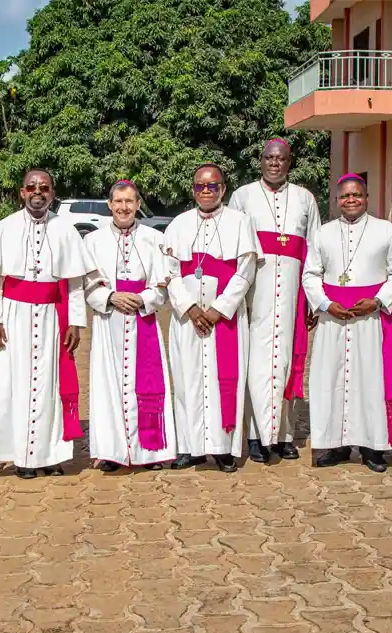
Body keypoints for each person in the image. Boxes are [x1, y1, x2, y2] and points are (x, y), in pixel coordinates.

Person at [0, 169, 95, 479]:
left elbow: (75, 282)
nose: (38, 192)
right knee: (11, 384)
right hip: (13, 315)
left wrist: (75, 321)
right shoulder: (5, 228)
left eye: (44, 187)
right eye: (32, 187)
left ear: (52, 192)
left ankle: (50, 455)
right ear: (22, 192)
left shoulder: (65, 229)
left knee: (49, 385)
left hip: (52, 317)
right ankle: (21, 456)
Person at [303, 173, 392, 472]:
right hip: (333, 319)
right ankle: (336, 445)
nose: (351, 200)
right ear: (337, 200)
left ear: (367, 198)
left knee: (370, 382)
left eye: (357, 195)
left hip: (371, 319)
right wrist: (326, 304)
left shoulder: (386, 231)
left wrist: (378, 301)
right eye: (346, 196)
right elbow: (311, 274)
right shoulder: (322, 233)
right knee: (331, 381)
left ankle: (372, 447)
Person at [164, 163, 260, 473]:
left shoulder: (240, 222)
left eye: (212, 185)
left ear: (223, 189)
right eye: (200, 186)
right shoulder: (178, 224)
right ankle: (189, 447)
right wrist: (190, 308)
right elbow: (169, 272)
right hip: (187, 321)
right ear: (193, 190)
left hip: (225, 320)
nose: (206, 191)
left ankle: (222, 448)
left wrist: (219, 309)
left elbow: (245, 272)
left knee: (225, 382)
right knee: (187, 381)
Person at [229, 138, 320, 463]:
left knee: (288, 363)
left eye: (281, 158)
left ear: (289, 162)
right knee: (255, 364)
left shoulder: (305, 198)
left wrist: (313, 298)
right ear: (261, 160)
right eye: (269, 158)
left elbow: (314, 251)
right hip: (256, 295)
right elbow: (233, 245)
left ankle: (284, 436)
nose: (275, 163)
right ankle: (255, 435)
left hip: (292, 295)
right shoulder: (242, 196)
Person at [84, 180, 176, 471]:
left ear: (138, 205)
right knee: (108, 387)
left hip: (143, 320)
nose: (124, 207)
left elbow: (162, 284)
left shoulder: (154, 238)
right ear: (110, 205)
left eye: (129, 202)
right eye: (118, 202)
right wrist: (110, 297)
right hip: (109, 322)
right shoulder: (92, 241)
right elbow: (86, 284)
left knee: (145, 384)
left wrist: (143, 298)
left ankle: (149, 453)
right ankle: (112, 452)